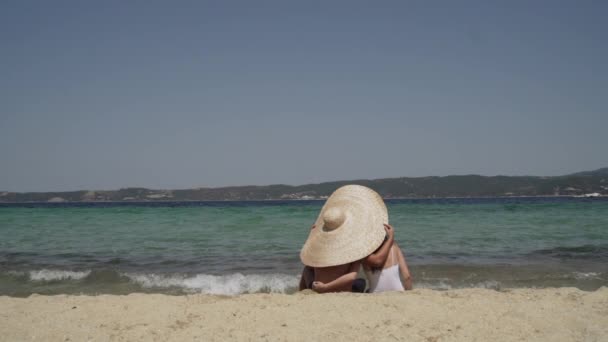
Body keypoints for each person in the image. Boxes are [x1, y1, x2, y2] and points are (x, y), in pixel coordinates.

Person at [299, 185, 388, 293]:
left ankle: (302, 292)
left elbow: (308, 256)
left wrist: (313, 235)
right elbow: (351, 277)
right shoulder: (352, 249)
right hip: (337, 290)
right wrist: (326, 287)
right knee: (361, 282)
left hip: (317, 288)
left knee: (307, 268)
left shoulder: (318, 249)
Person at [363, 223, 413, 292]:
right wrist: (408, 293)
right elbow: (407, 277)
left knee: (361, 283)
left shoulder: (364, 253)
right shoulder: (394, 247)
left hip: (375, 294)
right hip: (398, 291)